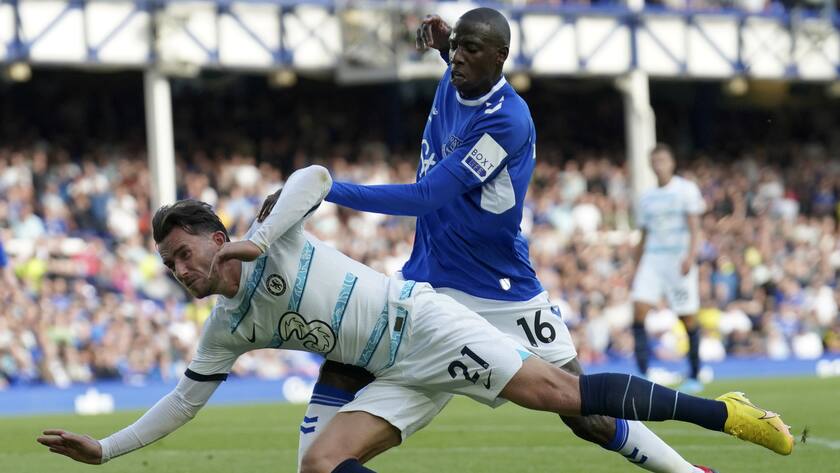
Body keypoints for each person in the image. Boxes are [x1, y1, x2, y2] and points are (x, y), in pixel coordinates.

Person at [36, 166, 793, 473]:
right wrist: (104, 448)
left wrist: (261, 234)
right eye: (168, 264)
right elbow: (183, 400)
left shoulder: (277, 228)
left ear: (212, 234)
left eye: (181, 252)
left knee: (567, 399)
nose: (178, 270)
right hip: (392, 373)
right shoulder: (227, 326)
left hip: (428, 326)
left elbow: (317, 178)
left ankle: (726, 414)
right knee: (317, 463)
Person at [269, 7, 715, 473]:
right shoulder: (456, 78)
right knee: (347, 359)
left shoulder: (507, 122)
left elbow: (426, 197)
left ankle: (690, 471)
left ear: (501, 57)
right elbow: (458, 58)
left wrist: (323, 189)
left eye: (470, 49)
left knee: (586, 415)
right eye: (455, 48)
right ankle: (313, 465)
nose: (457, 58)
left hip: (499, 291)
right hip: (427, 283)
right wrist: (447, 41)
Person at [631, 144, 705, 393]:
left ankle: (695, 373)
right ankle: (643, 372)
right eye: (654, 160)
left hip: (678, 260)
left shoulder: (686, 189)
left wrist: (691, 256)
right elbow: (643, 235)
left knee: (687, 317)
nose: (658, 164)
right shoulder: (646, 197)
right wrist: (636, 266)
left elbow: (695, 228)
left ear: (672, 162)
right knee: (638, 311)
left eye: (662, 159)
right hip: (652, 260)